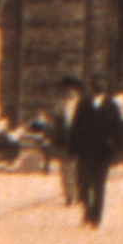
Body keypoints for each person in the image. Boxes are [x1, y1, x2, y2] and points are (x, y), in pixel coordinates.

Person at [68, 74, 123, 227]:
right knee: (83, 183)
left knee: (99, 184)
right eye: (96, 83)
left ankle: (96, 216)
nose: (98, 86)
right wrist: (72, 149)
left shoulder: (111, 106)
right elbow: (75, 126)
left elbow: (118, 129)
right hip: (85, 150)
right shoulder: (84, 103)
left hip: (102, 151)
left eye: (102, 83)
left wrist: (120, 151)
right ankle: (87, 209)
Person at [42, 77, 83, 206]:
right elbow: (55, 119)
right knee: (65, 165)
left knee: (77, 166)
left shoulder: (82, 104)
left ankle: (77, 193)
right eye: (67, 91)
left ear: (77, 91)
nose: (69, 93)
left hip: (78, 135)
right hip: (64, 136)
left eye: (72, 90)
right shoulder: (61, 104)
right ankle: (69, 195)